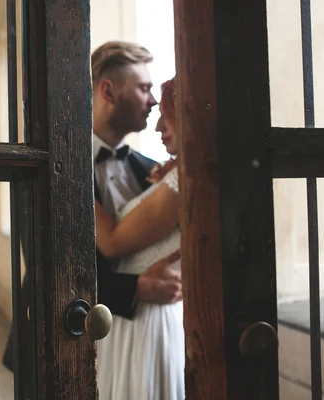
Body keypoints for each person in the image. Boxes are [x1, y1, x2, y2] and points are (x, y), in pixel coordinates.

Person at [1, 42, 182, 397]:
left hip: (139, 347)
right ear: (108, 91)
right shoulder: (42, 168)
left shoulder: (151, 171)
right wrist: (136, 289)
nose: (154, 101)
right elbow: (45, 268)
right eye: (145, 88)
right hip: (59, 340)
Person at [95, 77, 184, 400]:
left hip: (147, 322)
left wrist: (68, 183)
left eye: (168, 111)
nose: (158, 123)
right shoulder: (169, 173)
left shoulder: (180, 177)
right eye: (144, 90)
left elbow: (112, 242)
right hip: (112, 320)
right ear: (108, 90)